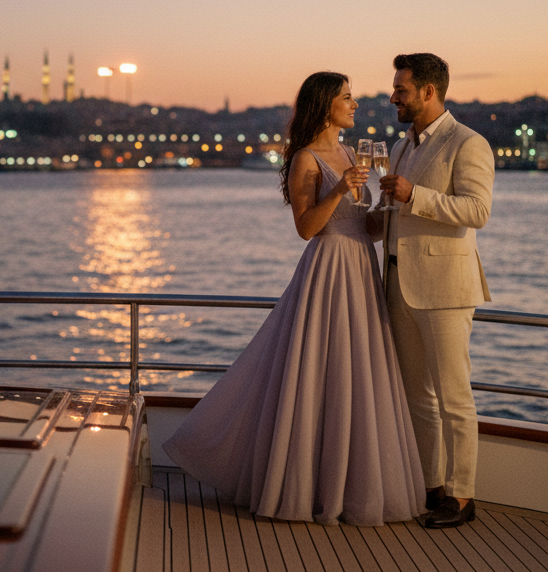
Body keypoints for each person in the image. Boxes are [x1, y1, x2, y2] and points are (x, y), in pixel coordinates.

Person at [162, 71, 425, 526]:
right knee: (318, 370)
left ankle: (347, 484)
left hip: (361, 267)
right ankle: (301, 484)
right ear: (325, 105)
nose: (356, 104)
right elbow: (307, 229)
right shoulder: (307, 158)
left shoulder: (349, 151)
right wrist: (341, 187)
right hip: (327, 270)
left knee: (356, 370)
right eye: (347, 97)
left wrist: (389, 210)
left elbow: (365, 229)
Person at [376, 53, 494, 529]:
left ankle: (463, 497)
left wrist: (412, 196)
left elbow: (477, 210)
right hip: (398, 284)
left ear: (428, 91)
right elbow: (397, 213)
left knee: (454, 397)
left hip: (445, 288)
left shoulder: (468, 142)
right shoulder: (402, 146)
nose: (392, 97)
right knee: (415, 396)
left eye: (400, 89)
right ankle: (432, 486)